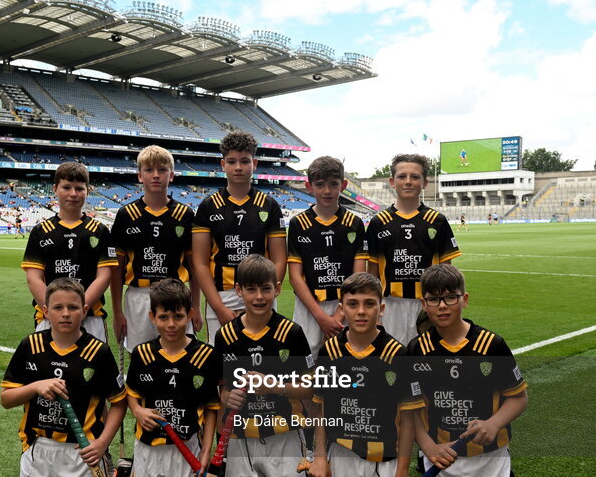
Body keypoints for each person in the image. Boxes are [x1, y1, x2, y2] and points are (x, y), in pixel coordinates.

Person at [406, 264, 528, 477]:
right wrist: (428, 447)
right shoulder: (415, 350)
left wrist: (493, 424)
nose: (442, 305)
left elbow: (518, 398)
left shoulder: (491, 345)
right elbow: (410, 410)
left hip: (486, 458)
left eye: (451, 297)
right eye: (433, 299)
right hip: (441, 459)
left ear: (465, 299)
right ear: (424, 304)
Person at [0, 278, 127, 477]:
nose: (66, 314)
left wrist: (102, 443)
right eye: (57, 308)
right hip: (40, 448)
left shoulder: (98, 351)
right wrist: (36, 386)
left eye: (73, 307)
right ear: (45, 311)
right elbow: (6, 399)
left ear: (85, 310)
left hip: (81, 451)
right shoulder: (30, 346)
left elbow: (119, 402)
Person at [307, 272, 420, 477]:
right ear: (341, 309)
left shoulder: (397, 354)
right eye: (353, 303)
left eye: (369, 304)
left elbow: (408, 422)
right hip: (345, 456)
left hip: (385, 461)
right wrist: (320, 456)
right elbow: (321, 409)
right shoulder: (330, 352)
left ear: (381, 309)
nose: (361, 311)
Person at [215, 255, 312, 477]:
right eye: (252, 289)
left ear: (277, 288)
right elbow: (221, 391)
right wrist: (227, 398)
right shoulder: (224, 335)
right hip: (241, 440)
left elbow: (309, 387)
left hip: (283, 436)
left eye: (266, 289)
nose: (259, 297)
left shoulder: (291, 333)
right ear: (238, 290)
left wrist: (275, 386)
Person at [123, 279, 220, 477]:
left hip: (188, 450)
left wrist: (207, 452)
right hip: (148, 449)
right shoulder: (142, 354)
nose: (171, 324)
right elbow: (131, 392)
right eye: (164, 317)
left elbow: (211, 408)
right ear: (152, 317)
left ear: (189, 315)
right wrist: (137, 411)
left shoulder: (206, 355)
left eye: (178, 316)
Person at [192, 131, 287, 343]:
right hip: (222, 296)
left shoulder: (269, 205)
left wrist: (266, 294)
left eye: (245, 161)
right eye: (232, 161)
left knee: (263, 361)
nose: (238, 167)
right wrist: (218, 307)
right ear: (222, 164)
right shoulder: (208, 206)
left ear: (254, 163)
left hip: (260, 295)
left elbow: (279, 258)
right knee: (222, 367)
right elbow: (199, 263)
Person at [111, 145, 201, 352]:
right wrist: (117, 312)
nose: (156, 175)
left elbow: (194, 267)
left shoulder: (185, 215)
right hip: (138, 296)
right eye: (149, 170)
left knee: (180, 355)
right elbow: (117, 268)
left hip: (177, 296)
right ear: (140, 176)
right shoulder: (126, 215)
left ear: (172, 176)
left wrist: (195, 306)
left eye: (162, 169)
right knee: (141, 356)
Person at [366, 153, 461, 346]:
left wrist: (445, 306)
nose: (408, 181)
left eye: (415, 177)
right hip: (390, 305)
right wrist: (374, 311)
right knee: (393, 359)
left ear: (425, 182)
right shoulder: (378, 223)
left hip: (429, 305)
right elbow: (372, 275)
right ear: (392, 182)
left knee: (430, 358)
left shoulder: (437, 221)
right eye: (402, 176)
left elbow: (447, 273)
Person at [21, 162, 116, 341]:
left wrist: (80, 308)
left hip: (91, 317)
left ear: (88, 191)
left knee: (92, 368)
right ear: (55, 189)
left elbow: (104, 276)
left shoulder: (100, 230)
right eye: (66, 187)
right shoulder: (40, 231)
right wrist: (54, 310)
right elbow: (34, 278)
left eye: (79, 188)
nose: (73, 194)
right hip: (49, 318)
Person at [287, 155, 367, 352]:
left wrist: (339, 316)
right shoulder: (299, 224)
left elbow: (357, 277)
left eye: (333, 184)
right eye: (320, 184)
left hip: (346, 306)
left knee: (344, 362)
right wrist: (321, 317)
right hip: (309, 308)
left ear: (344, 184)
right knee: (307, 369)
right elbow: (295, 277)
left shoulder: (354, 224)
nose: (327, 191)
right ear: (309, 186)